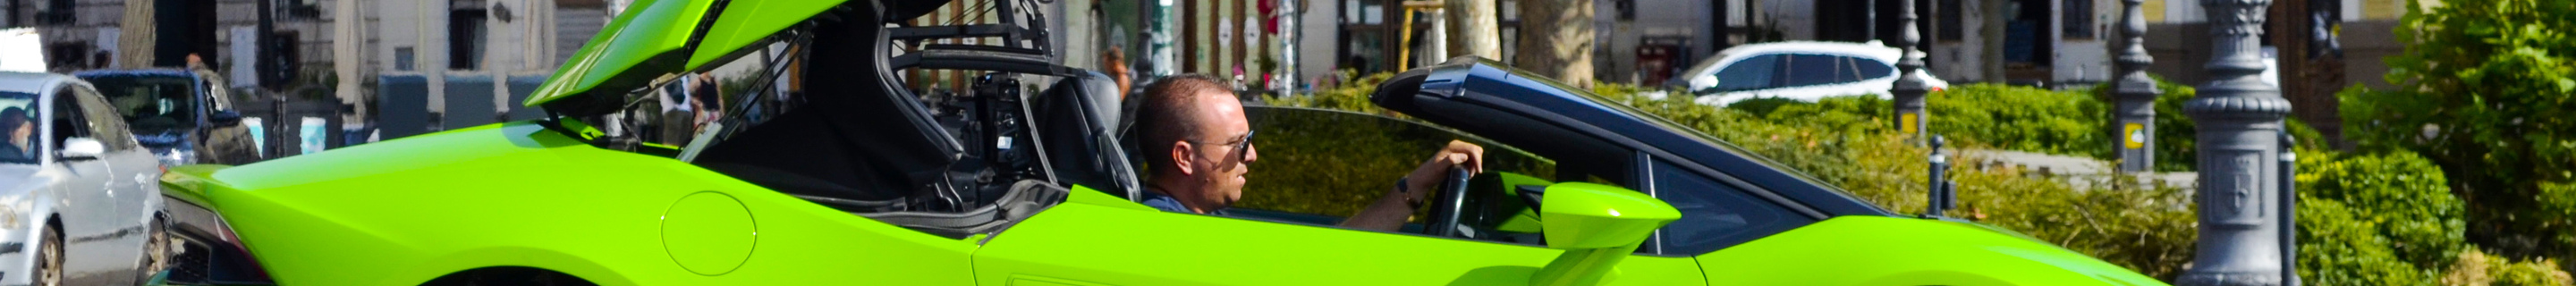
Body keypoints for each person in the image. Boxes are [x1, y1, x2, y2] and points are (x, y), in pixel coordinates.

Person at [1132, 74, 1484, 231]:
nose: (1251, 155)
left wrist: (1416, 185)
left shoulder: (1191, 223)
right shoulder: (1170, 234)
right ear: (1183, 157)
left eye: (1249, 139)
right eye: (1237, 144)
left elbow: (1321, 256)